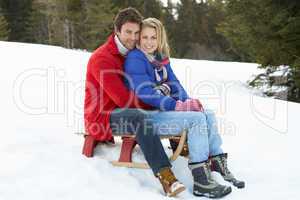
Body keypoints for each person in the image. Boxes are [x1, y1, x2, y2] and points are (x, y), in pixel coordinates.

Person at [124, 17, 245, 198]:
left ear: (160, 39)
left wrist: (188, 103)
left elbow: (175, 84)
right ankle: (201, 181)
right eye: (145, 37)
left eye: (153, 37)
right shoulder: (136, 58)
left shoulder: (160, 59)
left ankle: (216, 162)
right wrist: (177, 105)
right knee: (196, 120)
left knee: (206, 114)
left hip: (162, 111)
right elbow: (145, 92)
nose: (149, 42)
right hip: (146, 118)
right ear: (139, 38)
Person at [84, 8, 186, 197]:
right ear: (117, 31)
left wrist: (169, 98)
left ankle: (186, 151)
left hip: (122, 111)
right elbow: (123, 99)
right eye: (128, 32)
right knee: (140, 117)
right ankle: (166, 176)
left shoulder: (130, 54)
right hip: (102, 117)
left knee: (154, 109)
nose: (133, 37)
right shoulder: (102, 58)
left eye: (136, 33)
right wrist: (160, 99)